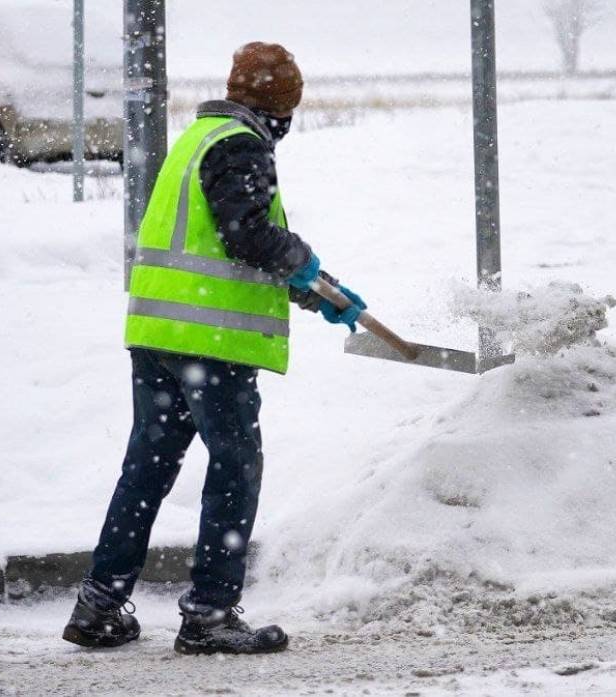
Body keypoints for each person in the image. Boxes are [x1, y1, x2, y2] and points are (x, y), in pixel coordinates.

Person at [62, 42, 364, 655]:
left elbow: (220, 238)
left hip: (159, 335)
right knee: (234, 469)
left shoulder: (198, 139)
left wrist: (314, 292)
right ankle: (209, 614)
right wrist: (303, 263)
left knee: (146, 469)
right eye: (287, 109)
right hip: (210, 343)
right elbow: (245, 234)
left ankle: (99, 606)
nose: (287, 124)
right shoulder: (239, 145)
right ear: (275, 106)